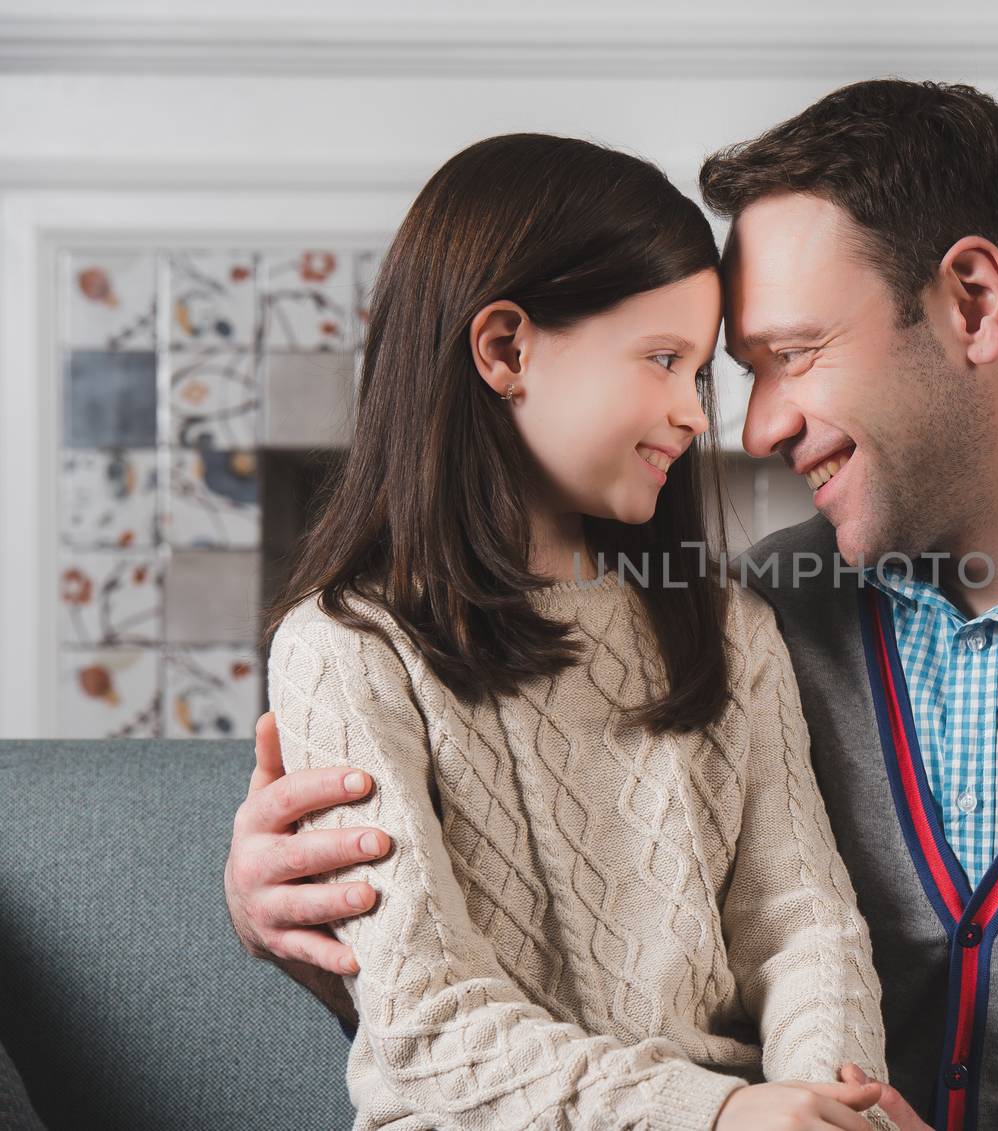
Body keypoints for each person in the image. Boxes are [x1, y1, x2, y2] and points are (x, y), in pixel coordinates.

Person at [230, 82, 998, 1130]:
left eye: (791, 354)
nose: (750, 428)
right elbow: (505, 962)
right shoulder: (758, 607)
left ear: (973, 303)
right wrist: (295, 922)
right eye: (723, 370)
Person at [251, 131, 905, 1130]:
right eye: (662, 361)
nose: (695, 415)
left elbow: (802, 922)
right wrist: (718, 1115)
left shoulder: (728, 627)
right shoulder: (345, 649)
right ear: (506, 349)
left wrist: (826, 1102)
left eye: (699, 377)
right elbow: (424, 1025)